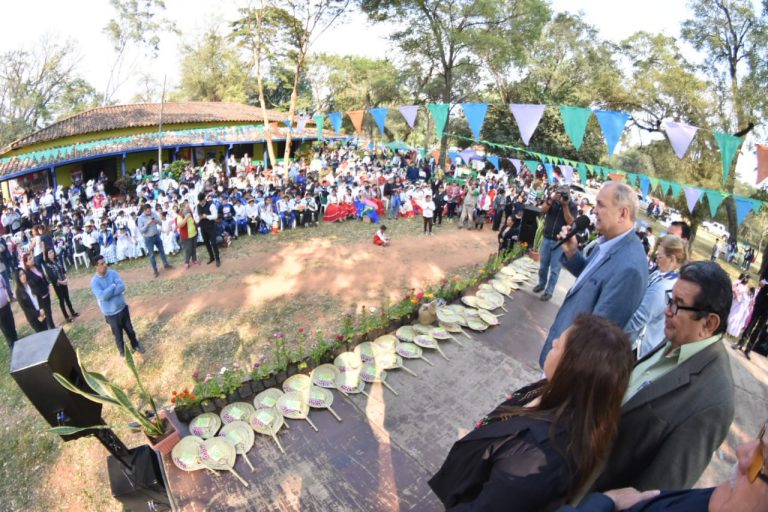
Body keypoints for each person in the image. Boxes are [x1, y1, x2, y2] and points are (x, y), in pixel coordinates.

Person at [429, 315, 634, 512]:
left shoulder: (537, 457)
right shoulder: (554, 390)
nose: (553, 342)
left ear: (572, 370)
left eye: (558, 346)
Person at [593, 261, 735, 492]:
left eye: (678, 305)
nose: (667, 311)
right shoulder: (681, 336)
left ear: (709, 323)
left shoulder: (713, 404)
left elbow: (657, 492)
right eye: (670, 300)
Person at [539, 182, 647, 367]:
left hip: (568, 364)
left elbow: (595, 338)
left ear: (623, 213)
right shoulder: (608, 241)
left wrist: (562, 370)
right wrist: (572, 253)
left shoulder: (630, 269)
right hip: (559, 352)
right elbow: (591, 279)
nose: (594, 210)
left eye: (601, 205)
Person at [558, 419, 768, 512]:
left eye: (762, 459)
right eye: (761, 435)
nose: (741, 451)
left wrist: (606, 500)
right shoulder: (724, 495)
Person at [624, 236, 687, 358]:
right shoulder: (660, 275)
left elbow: (638, 320)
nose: (657, 259)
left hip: (637, 347)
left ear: (672, 259)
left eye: (660, 256)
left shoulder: (664, 288)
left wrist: (612, 327)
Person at [91, 256, 144, 357]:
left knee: (130, 330)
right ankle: (123, 353)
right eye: (102, 264)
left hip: (122, 308)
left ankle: (135, 345)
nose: (105, 265)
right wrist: (113, 286)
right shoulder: (95, 282)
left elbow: (122, 287)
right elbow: (102, 296)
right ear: (96, 267)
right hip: (111, 315)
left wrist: (108, 293)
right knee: (118, 336)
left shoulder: (113, 273)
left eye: (105, 262)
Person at [533, 186, 578, 302]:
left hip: (560, 242)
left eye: (564, 194)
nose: (561, 196)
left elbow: (570, 222)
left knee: (555, 269)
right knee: (543, 266)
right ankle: (541, 284)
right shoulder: (552, 201)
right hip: (547, 238)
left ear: (569, 194)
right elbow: (542, 210)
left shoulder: (572, 206)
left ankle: (549, 291)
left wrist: (565, 206)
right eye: (560, 193)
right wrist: (551, 200)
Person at [42, 248, 78, 323]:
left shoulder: (57, 260)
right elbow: (52, 277)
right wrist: (61, 282)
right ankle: (66, 317)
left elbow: (63, 270)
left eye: (52, 252)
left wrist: (65, 278)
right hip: (58, 285)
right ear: (47, 255)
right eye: (49, 253)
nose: (52, 254)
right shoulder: (47, 265)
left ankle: (72, 312)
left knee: (67, 298)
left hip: (64, 281)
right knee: (62, 300)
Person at [137, 203, 173, 278]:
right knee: (151, 255)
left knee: (162, 251)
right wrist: (147, 224)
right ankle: (155, 270)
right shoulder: (140, 218)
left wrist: (156, 220)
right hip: (148, 238)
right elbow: (141, 230)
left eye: (150, 210)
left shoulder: (153, 213)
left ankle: (166, 265)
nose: (150, 212)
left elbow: (160, 223)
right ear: (144, 211)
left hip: (156, 236)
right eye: (148, 211)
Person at [23, 253, 55, 330]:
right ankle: (51, 329)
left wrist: (47, 285)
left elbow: (43, 277)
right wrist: (40, 293)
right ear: (26, 263)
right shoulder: (27, 274)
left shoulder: (37, 266)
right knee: (46, 314)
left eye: (32, 257)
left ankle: (52, 327)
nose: (32, 259)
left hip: (46, 292)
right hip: (40, 297)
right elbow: (32, 287)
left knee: (49, 312)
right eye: (30, 259)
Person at [197, 192, 221, 267]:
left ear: (204, 199)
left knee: (213, 243)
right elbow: (197, 215)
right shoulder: (198, 206)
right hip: (203, 227)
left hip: (211, 227)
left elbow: (215, 216)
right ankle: (211, 257)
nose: (200, 203)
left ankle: (217, 259)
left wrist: (206, 216)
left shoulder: (211, 205)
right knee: (206, 243)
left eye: (201, 201)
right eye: (199, 201)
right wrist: (199, 218)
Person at [726, 273, 752, 338]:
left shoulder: (746, 287)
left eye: (747, 278)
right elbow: (732, 288)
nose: (745, 279)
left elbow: (743, 294)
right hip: (733, 299)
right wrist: (735, 292)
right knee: (730, 313)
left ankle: (730, 330)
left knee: (734, 316)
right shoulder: (737, 282)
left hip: (738, 303)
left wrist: (738, 295)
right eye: (745, 278)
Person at [176, 203, 198, 269]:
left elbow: (193, 222)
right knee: (188, 249)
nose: (188, 208)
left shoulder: (190, 213)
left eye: (188, 207)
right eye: (187, 207)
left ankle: (194, 260)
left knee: (193, 248)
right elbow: (180, 225)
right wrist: (186, 218)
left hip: (194, 233)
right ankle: (187, 262)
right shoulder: (179, 215)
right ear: (182, 208)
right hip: (186, 236)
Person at [0, 273, 17, 348]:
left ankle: (16, 341)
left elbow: (5, 286)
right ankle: (12, 345)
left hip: (6, 305)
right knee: (5, 329)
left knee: (11, 323)